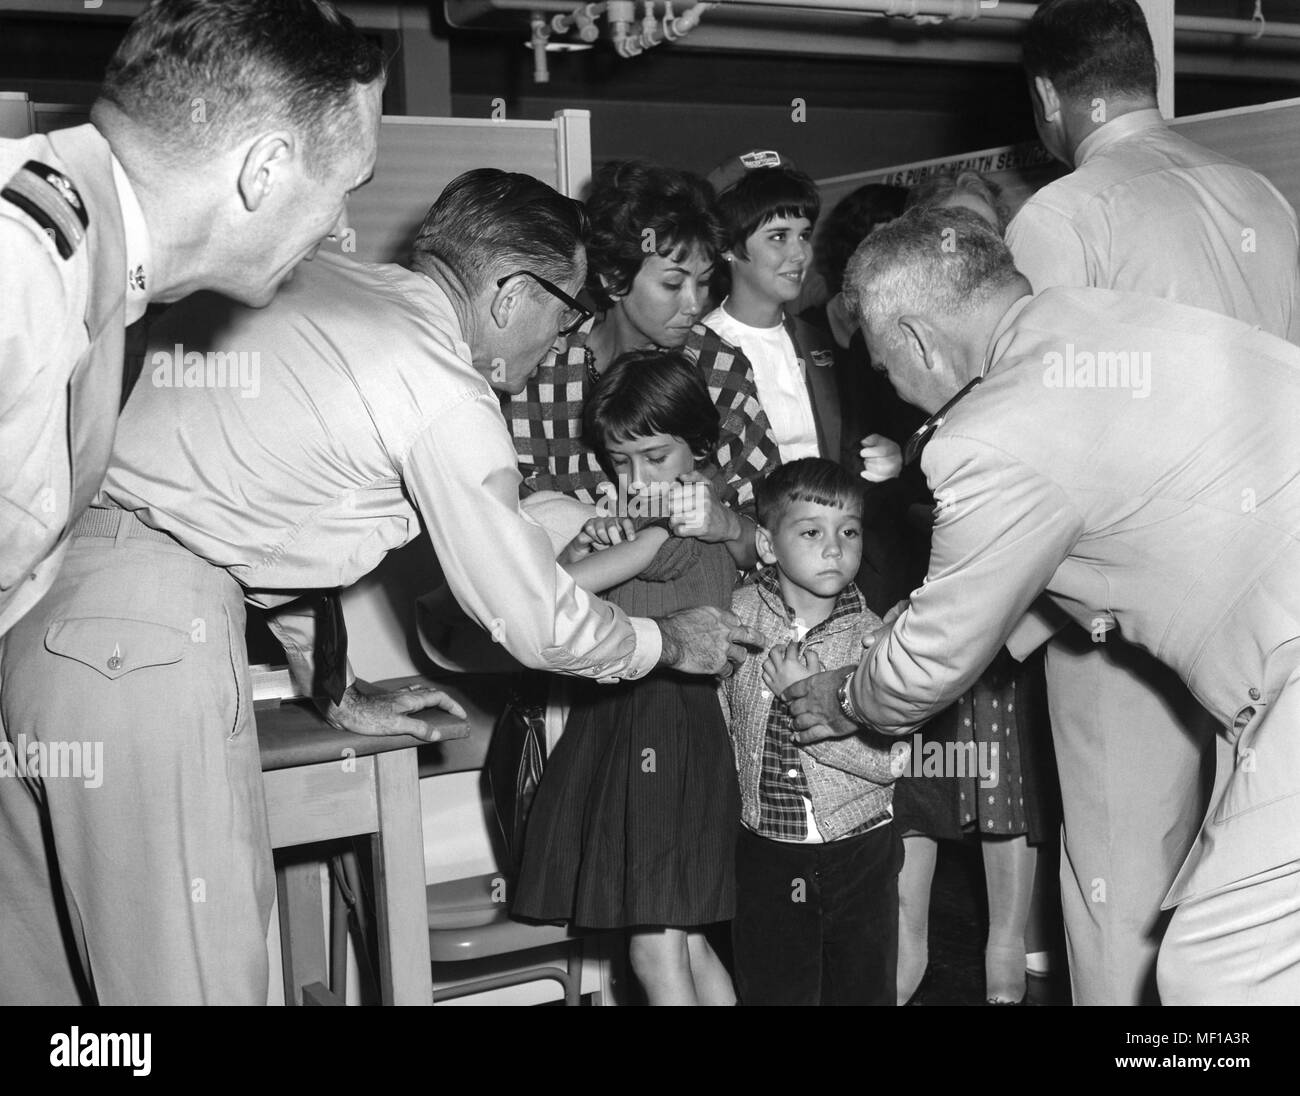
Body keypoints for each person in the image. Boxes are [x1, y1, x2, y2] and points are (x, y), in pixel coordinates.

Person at [0, 170, 763, 1006]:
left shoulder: (328, 286)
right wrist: (667, 642)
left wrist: (332, 686)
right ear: (511, 293)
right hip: (143, 643)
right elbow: (531, 618)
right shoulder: (441, 383)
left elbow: (250, 516)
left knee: (53, 990)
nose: (565, 340)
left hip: (53, 616)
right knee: (188, 984)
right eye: (567, 311)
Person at [784, 205, 1300, 1005]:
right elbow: (1093, 523)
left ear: (917, 339)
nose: (896, 391)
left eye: (885, 367)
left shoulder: (989, 431)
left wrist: (850, 693)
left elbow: (929, 664)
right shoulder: (1103, 314)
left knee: (1217, 974)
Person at [1004, 0, 1300, 1005]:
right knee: (1236, 899)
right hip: (1263, 608)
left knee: (1119, 894)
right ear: (1147, 71)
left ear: (1048, 98)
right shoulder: (1258, 192)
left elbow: (1039, 447)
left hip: (1116, 615)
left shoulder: (1061, 214)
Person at [0, 0, 386, 639]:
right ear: (265, 170)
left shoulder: (99, 278)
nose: (340, 226)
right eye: (348, 186)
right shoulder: (20, 268)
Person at [513, 350, 741, 1006]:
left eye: (656, 457)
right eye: (622, 461)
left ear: (698, 444)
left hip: (659, 727)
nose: (638, 477)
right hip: (671, 728)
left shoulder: (679, 524)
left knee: (653, 948)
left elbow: (554, 595)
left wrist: (592, 546)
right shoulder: (678, 514)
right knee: (687, 943)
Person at [892, 170, 1058, 1006]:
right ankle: (901, 969)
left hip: (1010, 632)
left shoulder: (1029, 371)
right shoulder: (912, 371)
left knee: (1006, 795)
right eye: (951, 232)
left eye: (980, 233)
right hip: (933, 617)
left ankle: (1007, 968)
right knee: (916, 808)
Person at [721, 458, 901, 1006]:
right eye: (811, 531)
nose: (834, 548)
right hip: (765, 846)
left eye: (849, 531)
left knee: (863, 989)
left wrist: (807, 702)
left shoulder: (875, 641)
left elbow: (891, 762)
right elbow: (723, 720)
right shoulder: (737, 614)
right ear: (768, 545)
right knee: (773, 988)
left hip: (859, 842)